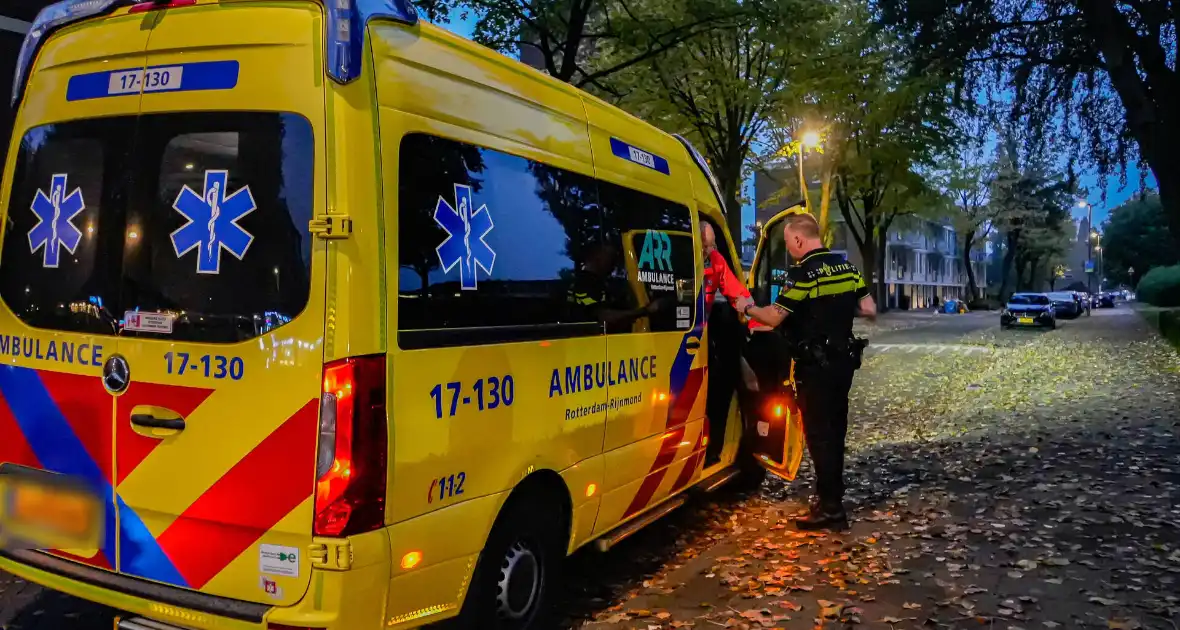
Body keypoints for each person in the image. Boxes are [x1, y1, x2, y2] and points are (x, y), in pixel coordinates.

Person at [740, 213, 876, 531]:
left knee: (817, 436)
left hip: (815, 367)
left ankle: (830, 509)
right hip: (844, 363)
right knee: (836, 432)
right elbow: (868, 309)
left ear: (799, 240)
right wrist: (838, 313)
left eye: (788, 243)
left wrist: (745, 307)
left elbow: (774, 317)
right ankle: (831, 497)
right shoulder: (848, 268)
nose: (789, 250)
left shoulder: (802, 274)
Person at [699, 221, 754, 463]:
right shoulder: (683, 259)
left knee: (719, 392)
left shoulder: (716, 260)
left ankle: (713, 450)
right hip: (685, 333)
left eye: (711, 246)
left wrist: (757, 317)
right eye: (704, 246)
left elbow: (736, 291)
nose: (708, 252)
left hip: (704, 334)